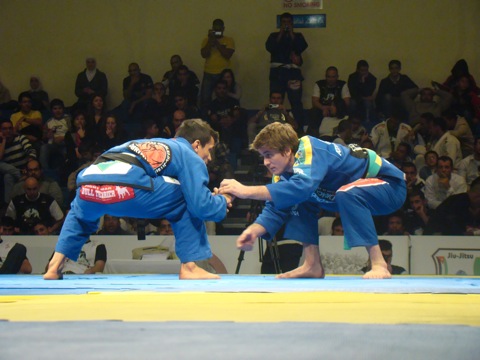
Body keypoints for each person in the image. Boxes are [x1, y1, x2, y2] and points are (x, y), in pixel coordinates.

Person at [44, 119, 234, 280]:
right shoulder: (188, 154)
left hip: (89, 182)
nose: (209, 158)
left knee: (79, 214)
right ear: (196, 145)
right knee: (187, 197)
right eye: (209, 150)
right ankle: (190, 267)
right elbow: (200, 206)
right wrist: (221, 201)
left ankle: (54, 266)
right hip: (126, 185)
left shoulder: (144, 143)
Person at [219, 122, 406, 279]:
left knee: (341, 192)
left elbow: (301, 187)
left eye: (269, 155)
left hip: (389, 186)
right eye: (263, 157)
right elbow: (277, 207)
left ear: (286, 151)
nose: (266, 162)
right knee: (299, 198)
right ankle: (312, 264)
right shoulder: (284, 174)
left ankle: (379, 264)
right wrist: (253, 231)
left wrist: (244, 191)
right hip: (349, 194)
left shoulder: (310, 148)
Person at [266, 12, 308, 129]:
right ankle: (272, 125)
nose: (286, 24)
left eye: (288, 22)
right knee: (275, 100)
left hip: (293, 73)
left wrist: (290, 33)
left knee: (296, 102)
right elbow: (270, 48)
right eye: (284, 22)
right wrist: (281, 33)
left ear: (292, 23)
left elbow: (301, 47)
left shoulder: (298, 36)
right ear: (280, 24)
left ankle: (299, 128)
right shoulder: (274, 36)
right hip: (277, 74)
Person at [200, 19, 235, 110]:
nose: (218, 32)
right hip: (209, 72)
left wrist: (216, 43)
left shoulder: (229, 40)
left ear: (223, 29)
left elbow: (227, 55)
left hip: (223, 73)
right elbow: (204, 54)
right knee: (205, 98)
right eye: (216, 29)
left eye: (219, 29)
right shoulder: (206, 40)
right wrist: (210, 41)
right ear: (212, 29)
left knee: (224, 96)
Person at [0, 120, 36, 205]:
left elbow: (31, 151)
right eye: (4, 129)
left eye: (10, 128)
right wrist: (4, 140)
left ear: (13, 129)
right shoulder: (1, 144)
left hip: (25, 169)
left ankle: (8, 204)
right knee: (6, 173)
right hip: (14, 171)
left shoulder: (20, 138)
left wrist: (29, 164)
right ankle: (9, 205)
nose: (8, 131)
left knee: (8, 177)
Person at [309, 66, 350, 140]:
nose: (331, 79)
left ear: (337, 77)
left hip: (338, 109)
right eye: (328, 77)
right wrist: (324, 108)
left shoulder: (342, 84)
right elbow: (314, 101)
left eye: (333, 77)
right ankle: (312, 136)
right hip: (321, 109)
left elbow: (346, 102)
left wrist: (336, 108)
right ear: (325, 77)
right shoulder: (319, 84)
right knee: (314, 112)